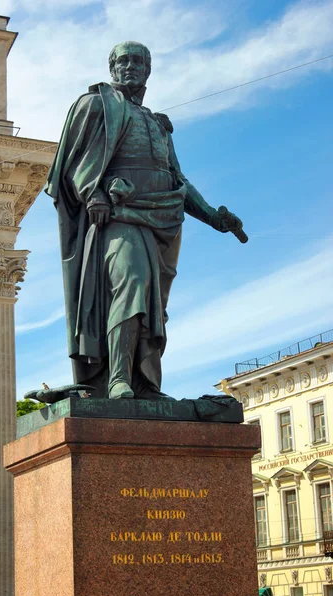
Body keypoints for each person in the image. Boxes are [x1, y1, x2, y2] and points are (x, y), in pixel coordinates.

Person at [45, 41, 246, 400]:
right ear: (112, 67)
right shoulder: (95, 105)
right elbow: (71, 163)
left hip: (163, 219)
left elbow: (177, 180)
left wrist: (214, 217)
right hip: (119, 214)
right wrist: (94, 193)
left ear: (148, 69)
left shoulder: (157, 123)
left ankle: (145, 383)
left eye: (138, 61)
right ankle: (118, 378)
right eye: (123, 60)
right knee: (133, 283)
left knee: (155, 308)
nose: (130, 66)